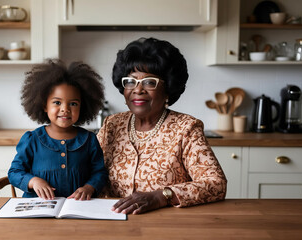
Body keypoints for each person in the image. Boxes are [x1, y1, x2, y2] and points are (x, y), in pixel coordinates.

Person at [97, 37, 227, 214]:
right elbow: (86, 168)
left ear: (168, 90)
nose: (138, 89)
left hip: (164, 225)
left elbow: (216, 183)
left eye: (150, 82)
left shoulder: (186, 128)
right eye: (131, 81)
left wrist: (161, 196)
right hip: (109, 220)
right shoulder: (112, 124)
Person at [9, 59, 108, 201]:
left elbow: (99, 173)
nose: (65, 109)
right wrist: (33, 181)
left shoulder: (89, 140)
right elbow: (14, 172)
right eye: (57, 102)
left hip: (78, 208)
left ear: (83, 107)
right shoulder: (32, 139)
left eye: (73, 103)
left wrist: (89, 187)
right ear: (44, 105)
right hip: (39, 209)